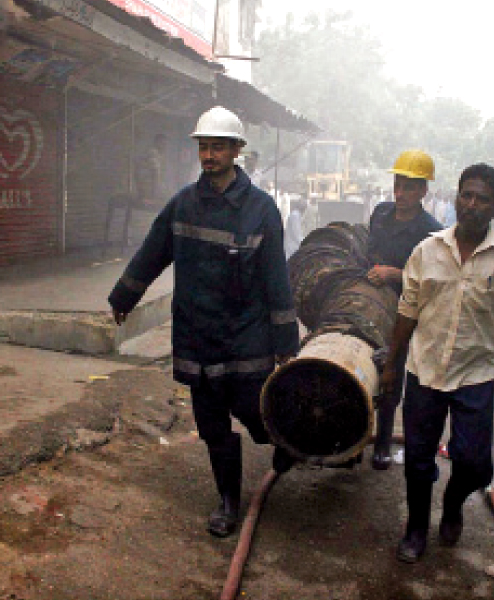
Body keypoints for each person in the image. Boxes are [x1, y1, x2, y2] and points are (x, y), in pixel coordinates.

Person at [107, 106, 299, 538]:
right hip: (196, 332)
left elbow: (276, 278)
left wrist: (286, 339)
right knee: (212, 424)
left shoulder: (261, 210)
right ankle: (228, 501)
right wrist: (124, 295)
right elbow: (153, 252)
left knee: (255, 412)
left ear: (236, 151)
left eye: (217, 147)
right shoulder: (183, 204)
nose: (209, 155)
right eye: (204, 147)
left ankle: (284, 442)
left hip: (246, 336)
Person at [380, 163, 494, 563]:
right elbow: (408, 309)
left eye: (483, 199)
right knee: (416, 459)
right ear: (456, 198)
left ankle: (452, 503)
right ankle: (415, 528)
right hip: (425, 370)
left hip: (475, 375)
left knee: (474, 464)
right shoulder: (427, 251)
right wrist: (391, 363)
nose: (472, 205)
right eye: (467, 195)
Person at [366, 149, 442, 471]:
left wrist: (394, 274)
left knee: (391, 373)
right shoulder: (380, 214)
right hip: (372, 303)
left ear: (424, 190)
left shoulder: (431, 231)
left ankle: (382, 440)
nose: (401, 193)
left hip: (405, 312)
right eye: (398, 184)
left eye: (410, 187)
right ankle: (356, 430)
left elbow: (433, 282)